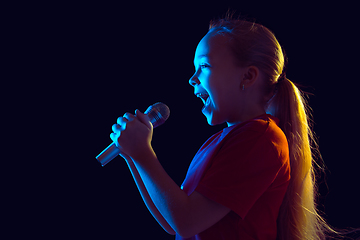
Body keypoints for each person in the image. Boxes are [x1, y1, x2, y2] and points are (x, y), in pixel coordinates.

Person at [110, 16, 334, 239]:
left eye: (204, 66)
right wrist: (134, 156)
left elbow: (187, 221)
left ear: (248, 76)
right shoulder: (221, 140)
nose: (192, 79)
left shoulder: (261, 138)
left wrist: (143, 154)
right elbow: (173, 223)